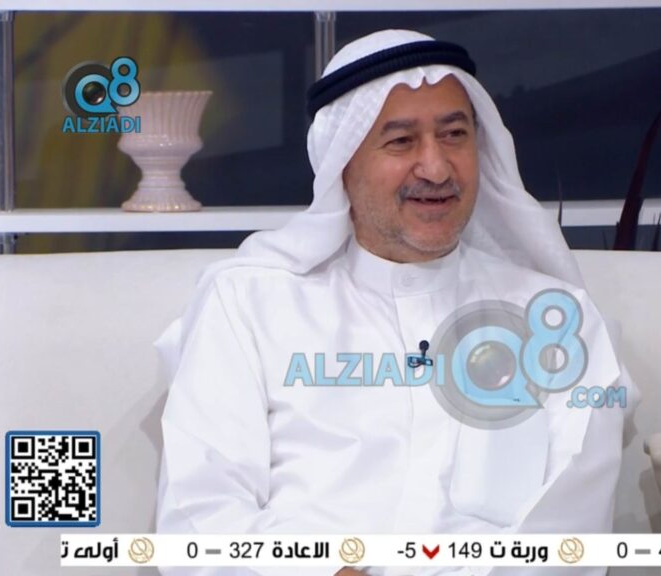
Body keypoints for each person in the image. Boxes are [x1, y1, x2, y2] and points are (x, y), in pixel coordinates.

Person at [155, 29, 636, 576]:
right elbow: (199, 515)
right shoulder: (249, 304)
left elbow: (570, 527)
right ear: (342, 162)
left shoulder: (554, 319)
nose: (436, 167)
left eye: (454, 135)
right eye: (401, 141)